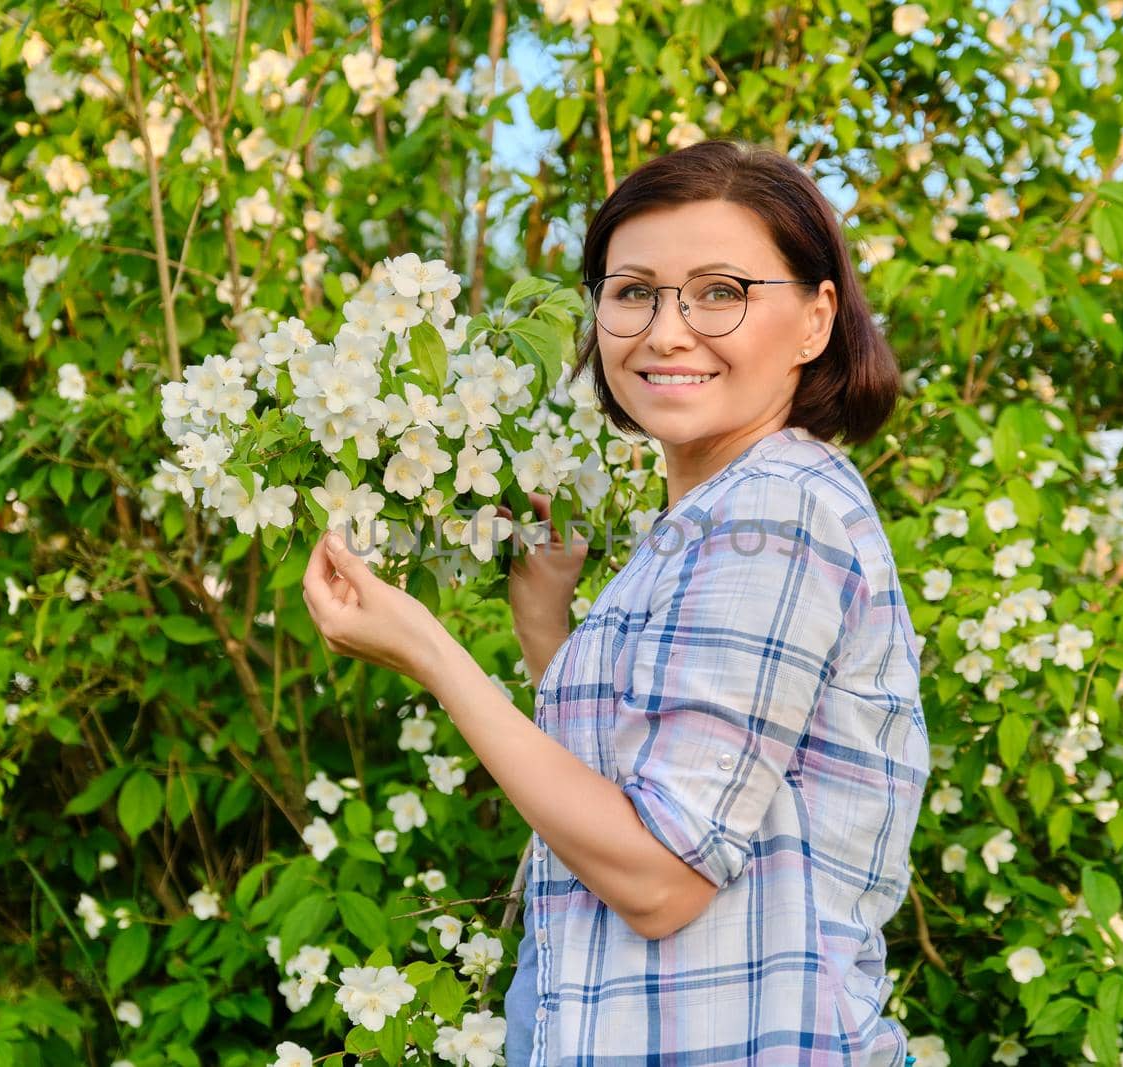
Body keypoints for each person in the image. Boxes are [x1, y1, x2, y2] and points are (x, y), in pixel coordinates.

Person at [302, 138, 928, 1065]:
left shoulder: (778, 511)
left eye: (722, 291)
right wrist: (544, 627)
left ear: (814, 319)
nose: (667, 331)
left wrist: (430, 651)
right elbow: (648, 792)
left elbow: (663, 878)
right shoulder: (711, 515)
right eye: (633, 292)